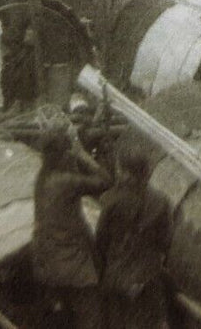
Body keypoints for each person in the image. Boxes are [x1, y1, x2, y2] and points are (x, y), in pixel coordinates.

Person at [32, 129, 110, 329]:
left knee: (64, 320)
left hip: (49, 265)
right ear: (63, 154)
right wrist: (82, 154)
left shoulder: (42, 181)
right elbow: (106, 181)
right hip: (74, 266)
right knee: (91, 320)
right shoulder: (65, 181)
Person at [94, 146, 172, 329]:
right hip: (146, 278)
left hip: (117, 277)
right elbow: (166, 242)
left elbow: (101, 240)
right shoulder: (161, 201)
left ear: (125, 171)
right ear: (147, 171)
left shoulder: (112, 200)